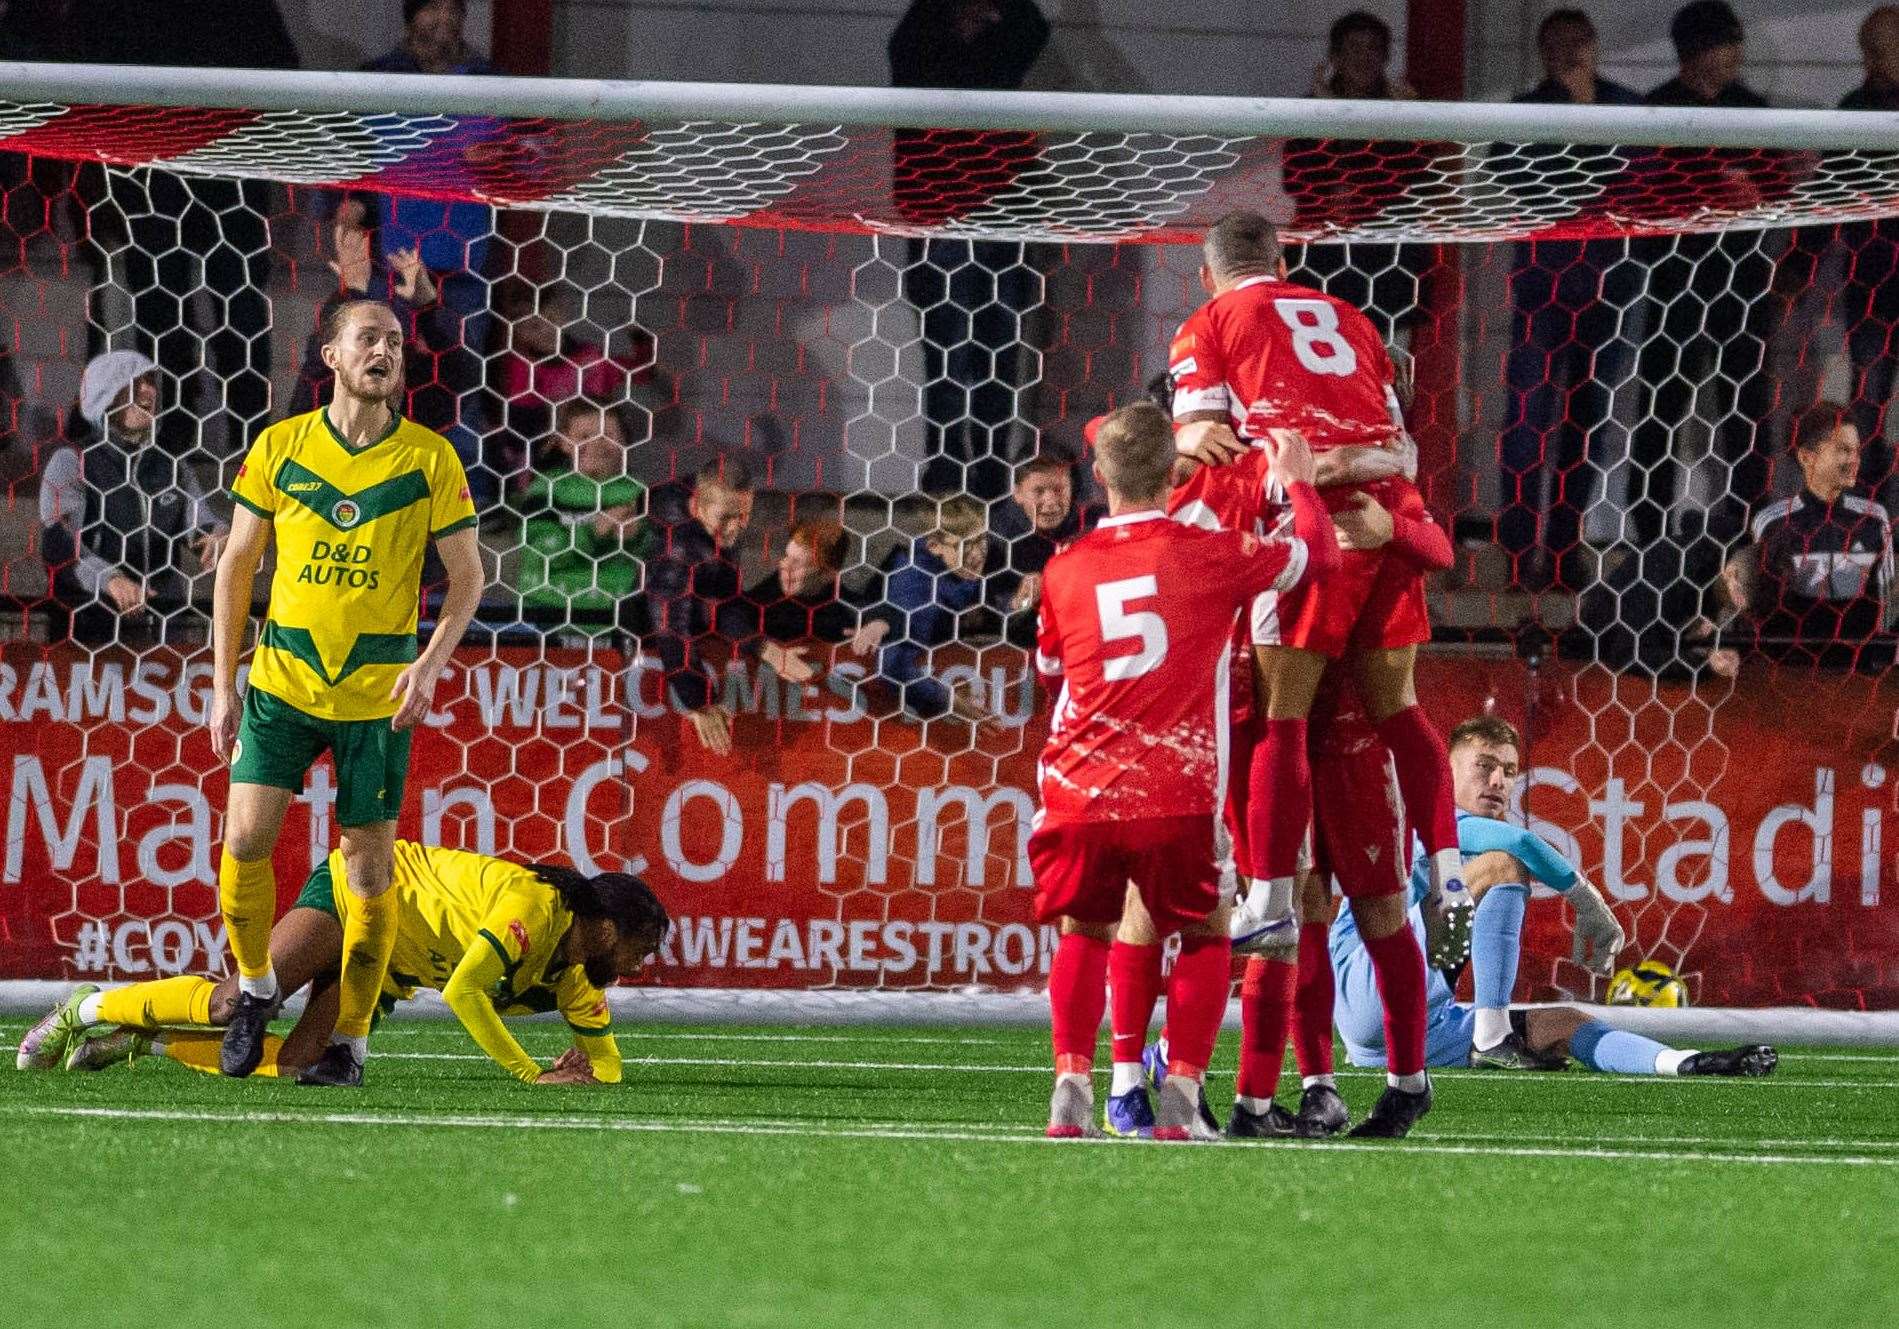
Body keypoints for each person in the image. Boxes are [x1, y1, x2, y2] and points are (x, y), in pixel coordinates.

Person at [1170, 210, 1470, 964]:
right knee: (1399, 707)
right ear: (1286, 256)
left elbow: (1201, 439)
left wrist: (1202, 446)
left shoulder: (1207, 322)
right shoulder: (1353, 318)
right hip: (1388, 516)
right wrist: (1358, 464)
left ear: (1206, 275)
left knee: (1283, 718)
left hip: (1309, 525)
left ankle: (1267, 893)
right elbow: (1397, 446)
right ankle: (1449, 867)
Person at [1032, 402, 1338, 1139]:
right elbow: (1317, 558)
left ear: (1096, 476)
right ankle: (1179, 1096)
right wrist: (1297, 485)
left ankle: (1072, 1083)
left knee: (1085, 928)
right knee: (1203, 933)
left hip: (1077, 787)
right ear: (1175, 473)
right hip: (1174, 789)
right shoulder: (1208, 551)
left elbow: (1049, 668)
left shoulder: (1062, 567)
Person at [1124, 485, 1456, 1141]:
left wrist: (1390, 525)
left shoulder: (1374, 494)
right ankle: (1253, 1094)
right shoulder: (1241, 490)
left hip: (1345, 751)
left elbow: (1433, 544)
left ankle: (1401, 1084)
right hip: (1257, 743)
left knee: (1370, 912)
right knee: (1279, 915)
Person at [211, 298, 485, 1088]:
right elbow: (237, 565)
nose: (385, 351)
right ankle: (258, 984)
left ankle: (350, 1044)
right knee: (245, 841)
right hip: (283, 681)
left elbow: (468, 576)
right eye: (368, 338)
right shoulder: (279, 447)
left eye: (395, 342)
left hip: (376, 696)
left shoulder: (430, 458)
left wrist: (428, 664)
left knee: (367, 874)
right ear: (331, 354)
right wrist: (221, 681)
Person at [1331, 715, 1776, 1079]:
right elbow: (1522, 847)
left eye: (1508, 771)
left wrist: (1685, 1063)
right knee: (1503, 864)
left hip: (1407, 1029)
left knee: (1565, 1023)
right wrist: (1589, 905)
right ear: (1447, 773)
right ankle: (1491, 1035)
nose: (1499, 781)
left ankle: (1687, 1062)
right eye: (1484, 766)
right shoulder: (1424, 817)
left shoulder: (1466, 835)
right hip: (1366, 981)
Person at [17, 841, 669, 1085]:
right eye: (641, 947)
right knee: (238, 1002)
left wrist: (585, 1069)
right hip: (359, 893)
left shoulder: (580, 976)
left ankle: (148, 1039)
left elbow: (607, 1065)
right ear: (608, 928)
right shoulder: (534, 906)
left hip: (383, 965)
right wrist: (531, 1074)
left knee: (295, 1067)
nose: (641, 964)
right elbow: (467, 990)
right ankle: (85, 1006)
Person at [1625, 1, 1792, 546]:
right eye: (1727, 43)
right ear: (1695, 51)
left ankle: (1749, 530)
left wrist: (1760, 191)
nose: (1737, 54)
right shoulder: (1656, 111)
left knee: (1745, 412)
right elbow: (1637, 194)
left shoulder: (1752, 109)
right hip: (1675, 279)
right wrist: (1710, 192)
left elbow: (1778, 189)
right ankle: (1649, 534)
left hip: (1741, 280)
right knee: (1661, 409)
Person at [1496, 9, 1643, 589]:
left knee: (1586, 426)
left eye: (1578, 44)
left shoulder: (1626, 107)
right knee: (1526, 422)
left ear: (1595, 47)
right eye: (1556, 46)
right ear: (1541, 52)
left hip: (1607, 287)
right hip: (1540, 287)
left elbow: (1638, 176)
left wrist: (1587, 119)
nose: (1569, 55)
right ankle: (1514, 554)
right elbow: (1518, 177)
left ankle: (1563, 549)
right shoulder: (1525, 110)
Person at [890, 0, 1050, 497]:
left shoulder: (1013, 28)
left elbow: (1031, 31)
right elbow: (965, 78)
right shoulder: (918, 37)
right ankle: (945, 473)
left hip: (1002, 214)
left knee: (998, 353)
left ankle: (991, 475)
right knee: (948, 352)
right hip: (942, 217)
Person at [362, 0, 501, 504]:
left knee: (461, 380)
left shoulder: (490, 81)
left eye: (455, 9)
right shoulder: (378, 79)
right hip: (393, 259)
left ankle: (466, 495)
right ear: (410, 14)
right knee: (380, 372)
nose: (445, 19)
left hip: (463, 261)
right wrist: (348, 210)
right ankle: (380, 481)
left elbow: (529, 156)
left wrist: (500, 160)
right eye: (433, 7)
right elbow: (351, 162)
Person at [38, 351, 227, 645]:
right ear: (106, 392)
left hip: (162, 634)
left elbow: (200, 524)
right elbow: (59, 545)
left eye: (151, 381)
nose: (148, 390)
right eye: (134, 382)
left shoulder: (172, 467)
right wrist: (110, 579)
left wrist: (218, 536)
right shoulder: (73, 462)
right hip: (88, 635)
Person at [1748, 401, 1894, 653]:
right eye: (1844, 450)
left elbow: (1888, 606)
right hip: (1791, 668)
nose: (1854, 460)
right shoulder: (1772, 523)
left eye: (1857, 451)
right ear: (1806, 457)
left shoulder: (1874, 519)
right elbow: (1758, 611)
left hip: (1858, 669)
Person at [638, 457, 756, 755]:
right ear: (697, 508)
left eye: (743, 516)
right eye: (727, 517)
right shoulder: (680, 546)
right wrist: (699, 699)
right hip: (635, 651)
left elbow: (725, 599)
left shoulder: (711, 531)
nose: (736, 528)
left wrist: (760, 644)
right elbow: (668, 621)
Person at [516, 402, 651, 638]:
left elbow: (662, 553)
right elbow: (538, 552)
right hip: (548, 614)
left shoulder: (639, 493)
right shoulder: (546, 490)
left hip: (616, 620)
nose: (597, 443)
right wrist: (594, 531)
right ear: (565, 443)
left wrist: (638, 536)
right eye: (585, 435)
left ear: (626, 441)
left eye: (608, 434)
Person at [1835, 7, 1899, 504]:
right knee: (1868, 402)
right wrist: (1796, 261)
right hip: (1873, 283)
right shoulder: (1855, 106)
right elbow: (1829, 192)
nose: (1874, 60)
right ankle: (1872, 511)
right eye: (1869, 50)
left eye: (1884, 48)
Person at [861, 495, 998, 725]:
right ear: (935, 546)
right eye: (965, 545)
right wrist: (946, 700)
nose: (977, 554)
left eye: (981, 539)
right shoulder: (916, 585)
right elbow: (890, 666)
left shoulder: (975, 564)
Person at [718, 519, 883, 680]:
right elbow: (729, 615)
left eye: (797, 563)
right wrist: (768, 650)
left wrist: (879, 625)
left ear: (827, 575)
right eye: (786, 556)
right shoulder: (772, 590)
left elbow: (875, 612)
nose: (784, 566)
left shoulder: (843, 608)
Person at [990, 449, 1100, 646]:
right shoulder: (997, 538)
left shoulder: (1096, 523)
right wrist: (1018, 603)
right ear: (1017, 493)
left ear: (1072, 488)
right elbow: (985, 611)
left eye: (1059, 490)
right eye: (1038, 491)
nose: (1050, 502)